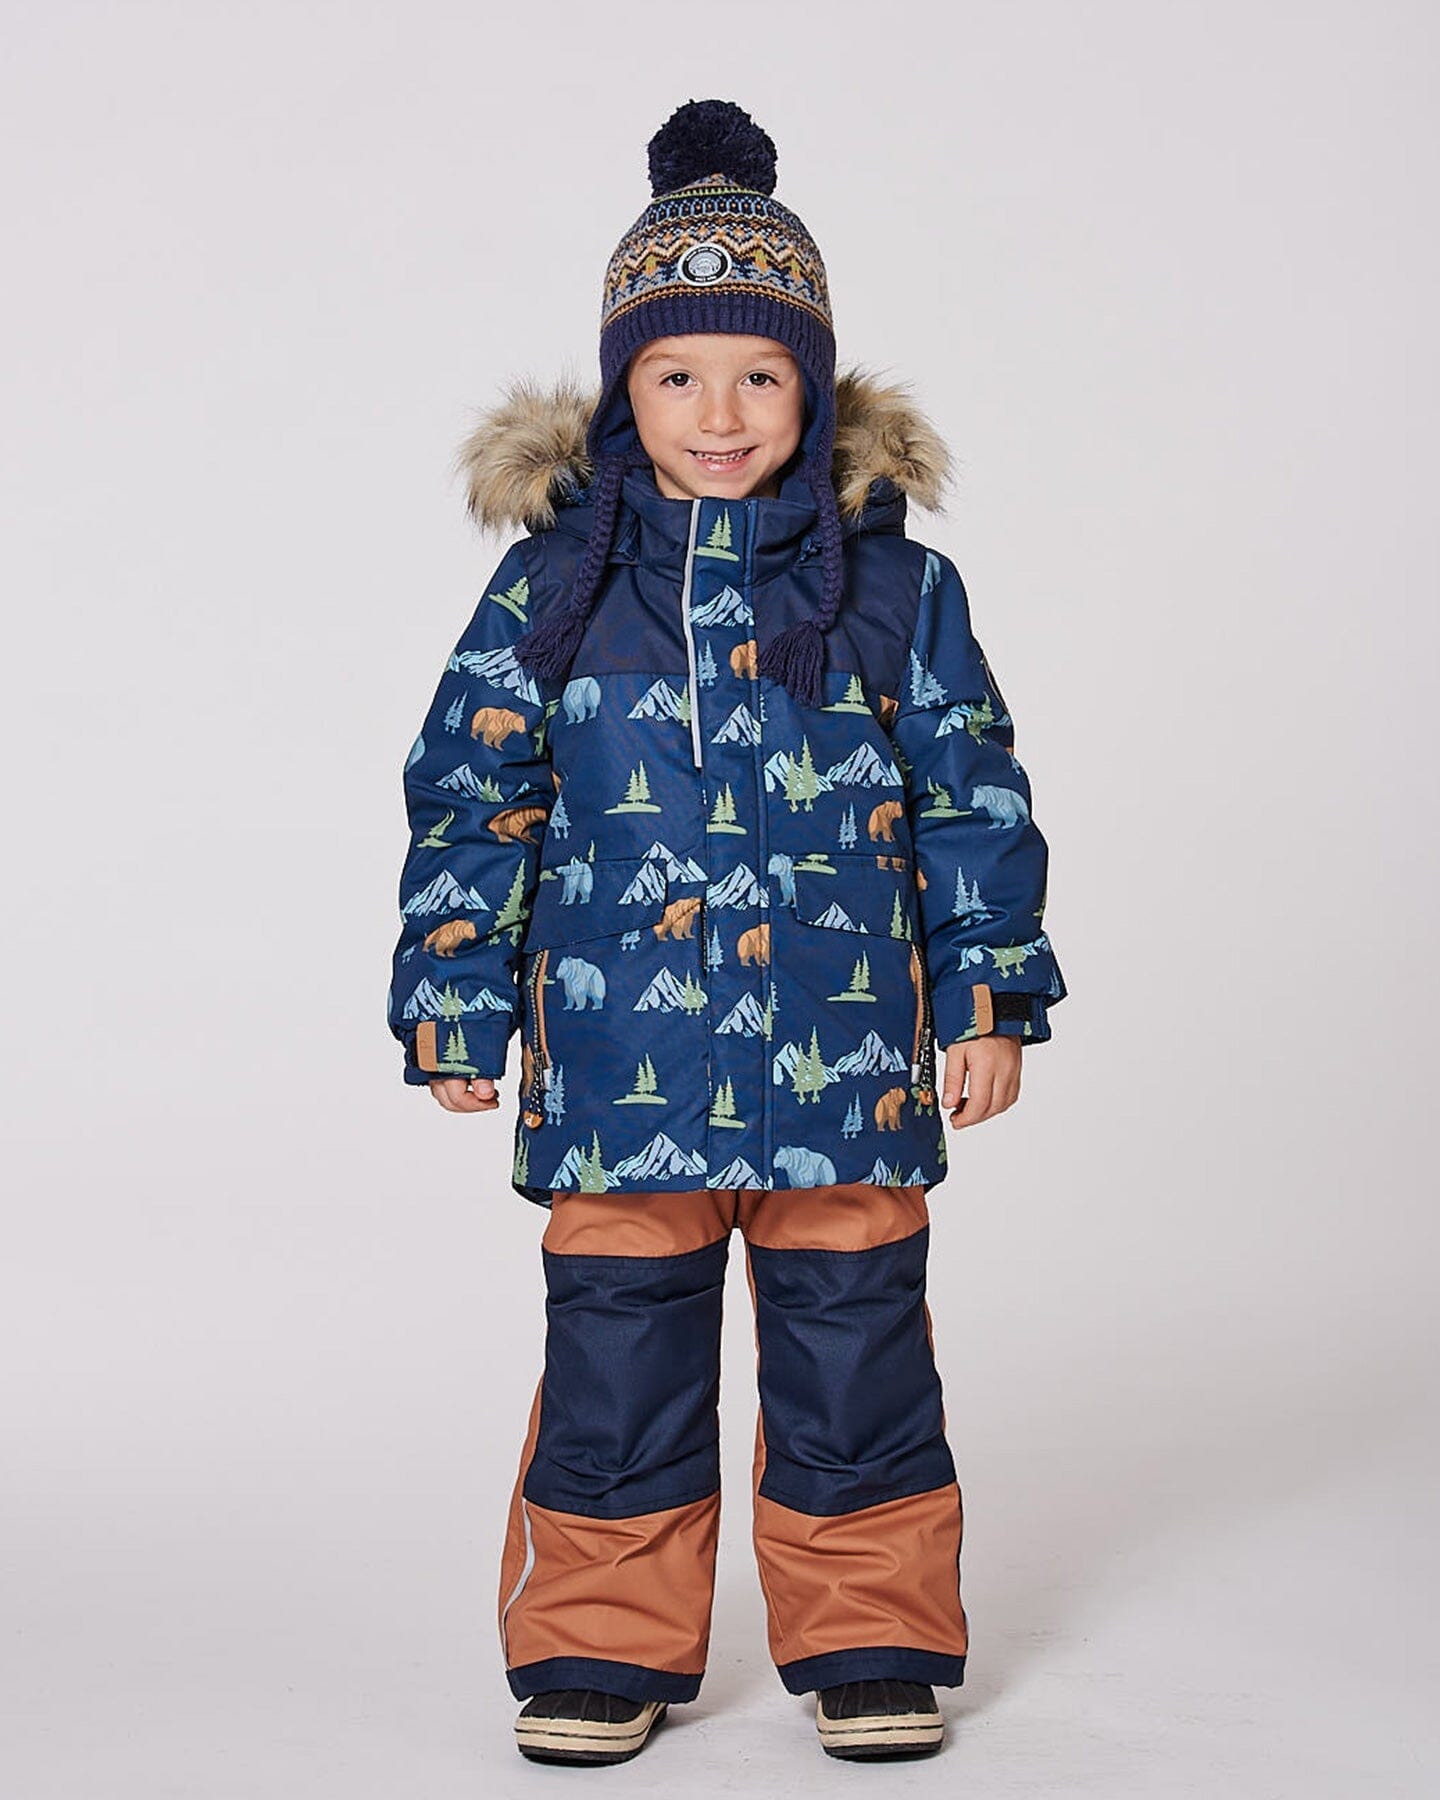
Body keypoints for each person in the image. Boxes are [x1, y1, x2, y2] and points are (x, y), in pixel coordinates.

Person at [386, 98, 1067, 1767]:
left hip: (847, 1066)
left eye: (760, 376)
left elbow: (973, 798)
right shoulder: (556, 589)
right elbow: (475, 796)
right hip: (623, 1070)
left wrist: (990, 995)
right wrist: (457, 1002)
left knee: (858, 1350)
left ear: (813, 390)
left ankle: (869, 1631)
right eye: (678, 374)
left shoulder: (897, 592)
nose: (718, 413)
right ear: (621, 389)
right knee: (619, 1363)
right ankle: (600, 1641)